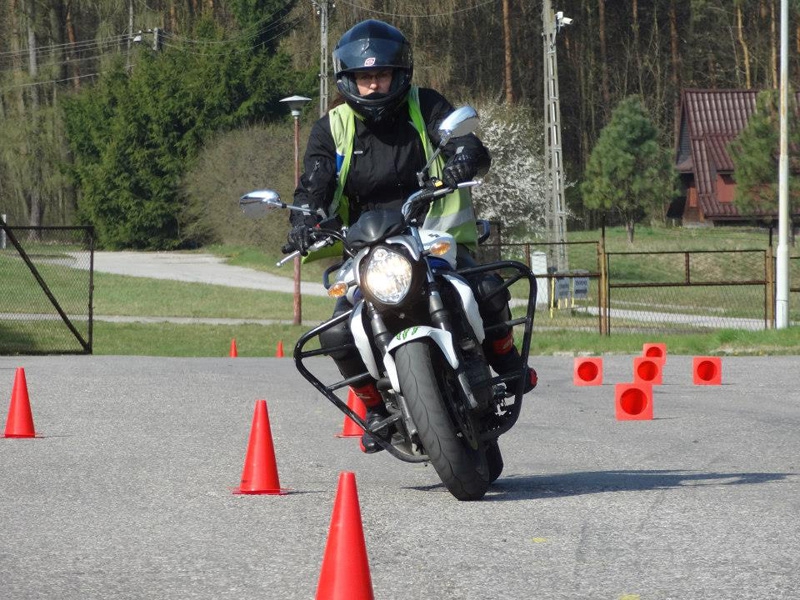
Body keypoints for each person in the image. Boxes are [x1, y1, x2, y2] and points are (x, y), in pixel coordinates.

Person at [285, 19, 536, 453]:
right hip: (366, 249)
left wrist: (464, 156)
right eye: (363, 77)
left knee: (487, 289)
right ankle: (374, 407)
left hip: (435, 234)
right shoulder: (332, 128)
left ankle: (504, 358)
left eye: (382, 74)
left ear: (400, 74)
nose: (373, 85)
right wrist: (304, 220)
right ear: (348, 80)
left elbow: (465, 142)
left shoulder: (427, 105)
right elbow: (314, 181)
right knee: (337, 333)